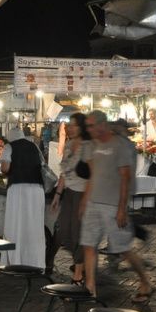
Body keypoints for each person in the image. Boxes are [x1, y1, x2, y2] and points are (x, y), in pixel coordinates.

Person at [80, 110, 153, 301]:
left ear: (103, 124)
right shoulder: (91, 145)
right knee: (88, 245)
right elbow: (92, 175)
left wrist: (122, 208)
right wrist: (85, 200)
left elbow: (125, 178)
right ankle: (90, 288)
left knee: (123, 249)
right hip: (94, 203)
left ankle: (145, 281)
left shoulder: (119, 145)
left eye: (91, 125)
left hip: (113, 205)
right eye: (87, 126)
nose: (89, 129)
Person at [51, 112, 92, 284]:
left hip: (84, 193)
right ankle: (80, 265)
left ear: (81, 127)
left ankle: (79, 273)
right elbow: (64, 172)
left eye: (73, 124)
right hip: (69, 193)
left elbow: (93, 175)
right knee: (63, 232)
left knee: (78, 234)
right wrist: (58, 194)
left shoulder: (88, 146)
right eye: (69, 124)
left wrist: (85, 200)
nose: (69, 127)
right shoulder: (68, 145)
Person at [0, 127, 47, 269]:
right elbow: (42, 165)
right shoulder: (34, 146)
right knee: (33, 225)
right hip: (37, 190)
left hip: (18, 189)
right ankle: (34, 261)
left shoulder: (9, 146)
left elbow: (5, 168)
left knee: (15, 224)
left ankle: (15, 260)